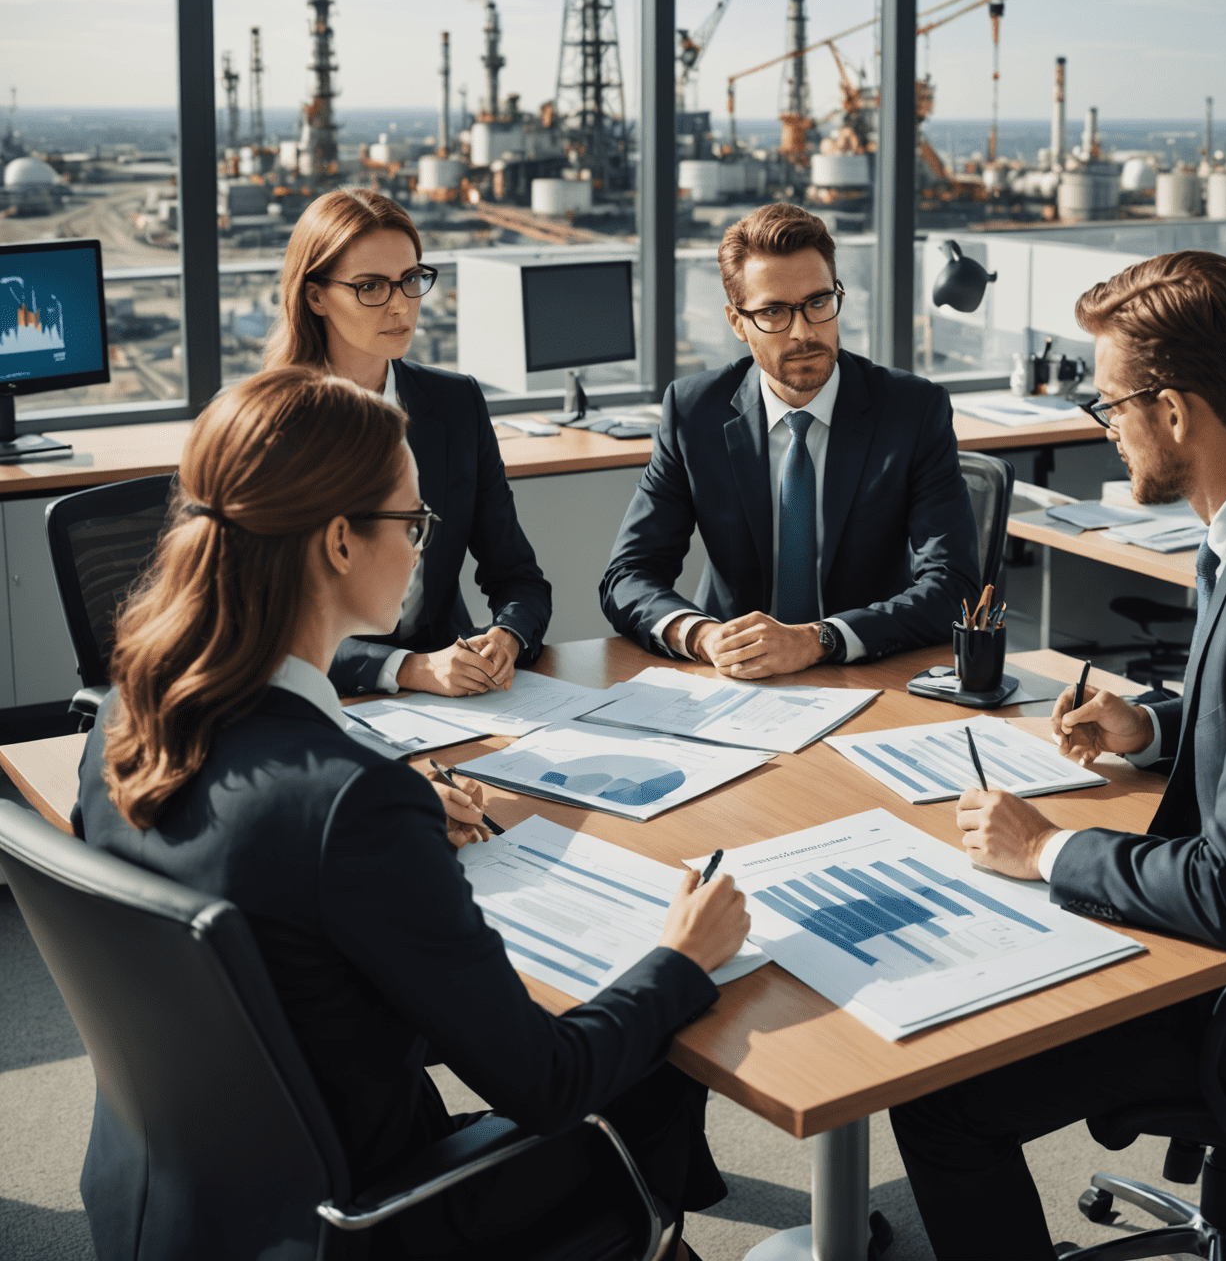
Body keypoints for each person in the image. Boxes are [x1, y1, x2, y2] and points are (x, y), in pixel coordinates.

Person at [72, 368, 747, 1261]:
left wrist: (398, 829)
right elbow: (546, 1085)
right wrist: (682, 957)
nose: (426, 546)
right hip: (365, 1220)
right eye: (414, 522)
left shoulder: (127, 713)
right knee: (648, 1057)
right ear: (340, 542)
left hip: (182, 1197)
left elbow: (260, 875)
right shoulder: (351, 801)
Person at [889, 250, 1226, 1261]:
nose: (1106, 427)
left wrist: (1043, 849)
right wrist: (1156, 727)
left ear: (1176, 413)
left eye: (1109, 408)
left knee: (944, 1092)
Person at [600, 202, 980, 678]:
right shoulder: (694, 412)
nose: (804, 331)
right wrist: (703, 635)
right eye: (774, 312)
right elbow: (628, 575)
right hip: (732, 674)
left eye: (819, 303)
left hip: (867, 670)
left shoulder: (911, 411)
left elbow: (954, 585)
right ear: (737, 322)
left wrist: (820, 639)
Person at [266, 186, 551, 698]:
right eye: (371, 286)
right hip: (319, 700)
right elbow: (264, 626)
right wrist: (405, 668)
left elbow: (519, 576)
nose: (400, 306)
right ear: (315, 295)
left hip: (453, 695)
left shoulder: (456, 403)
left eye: (411, 280)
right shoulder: (272, 424)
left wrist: (507, 636)